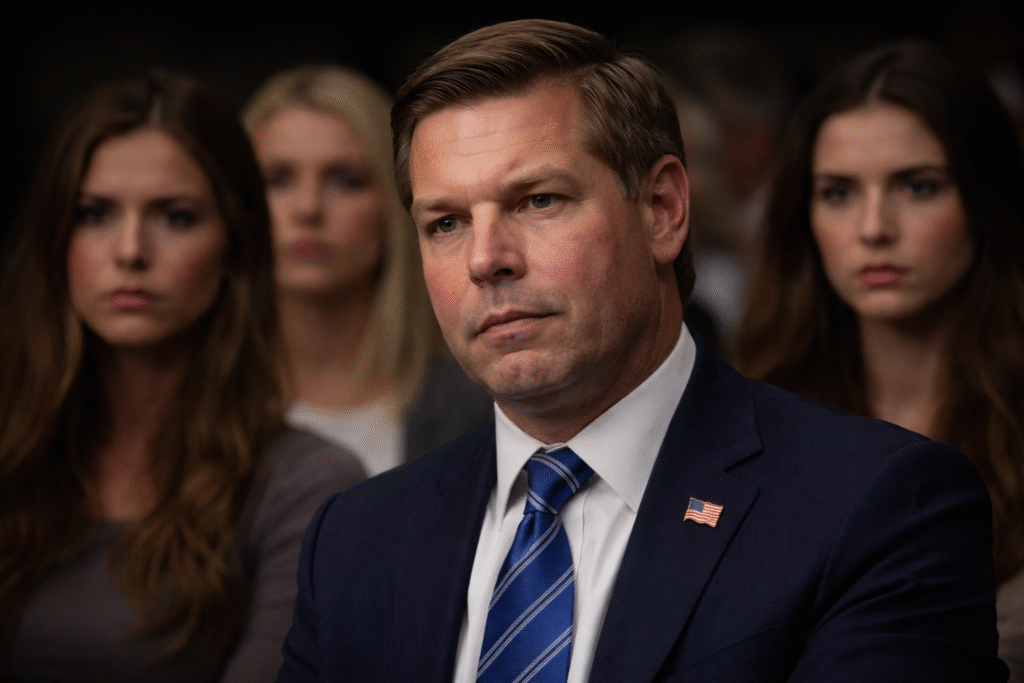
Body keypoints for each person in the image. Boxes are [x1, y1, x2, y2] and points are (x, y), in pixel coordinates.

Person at [277, 21, 1007, 682]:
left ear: (663, 210)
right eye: (446, 222)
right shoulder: (354, 542)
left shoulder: (876, 507)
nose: (485, 258)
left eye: (539, 200)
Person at [0, 71, 364, 682]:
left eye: (173, 216)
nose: (131, 251)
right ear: (55, 238)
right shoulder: (15, 450)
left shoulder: (308, 486)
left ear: (234, 246)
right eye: (95, 214)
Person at [732, 41, 1024, 679]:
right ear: (802, 215)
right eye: (838, 192)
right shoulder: (748, 416)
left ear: (985, 198)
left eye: (919, 187)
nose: (873, 228)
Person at [242, 65, 492, 476]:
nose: (308, 208)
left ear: (397, 204)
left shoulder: (476, 404)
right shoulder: (189, 398)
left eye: (346, 180)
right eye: (278, 179)